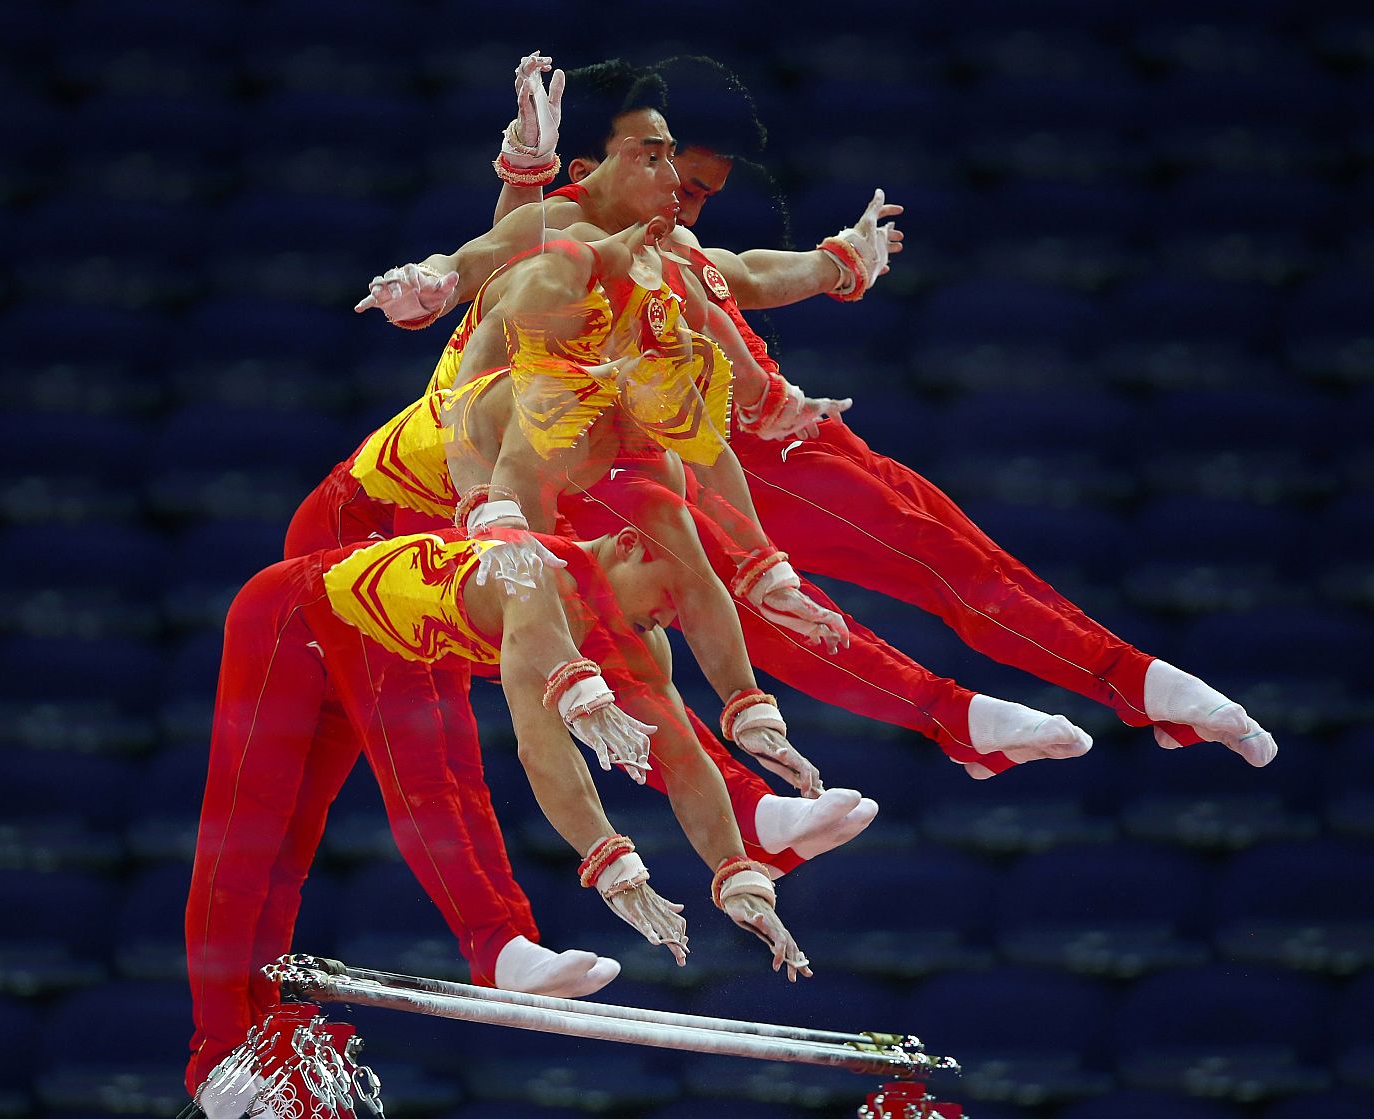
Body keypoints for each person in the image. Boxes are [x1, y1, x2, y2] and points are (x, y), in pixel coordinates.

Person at [369, 51, 1279, 770]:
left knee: (948, 554)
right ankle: (1056, 698)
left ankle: (1068, 698)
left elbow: (744, 271)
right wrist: (438, 271)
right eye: (673, 178)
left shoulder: (664, 233)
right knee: (813, 602)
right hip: (705, 447)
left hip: (784, 433)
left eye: (696, 194)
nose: (682, 204)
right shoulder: (569, 228)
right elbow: (497, 247)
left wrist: (840, 263)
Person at [185, 524, 813, 1102]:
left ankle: (263, 1042)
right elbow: (544, 753)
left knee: (307, 845)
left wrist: (738, 876)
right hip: (299, 613)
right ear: (630, 545)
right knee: (274, 836)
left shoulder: (631, 636)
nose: (670, 618)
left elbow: (683, 758)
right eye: (672, 594)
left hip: (399, 644)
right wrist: (617, 871)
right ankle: (220, 1055)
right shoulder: (536, 580)